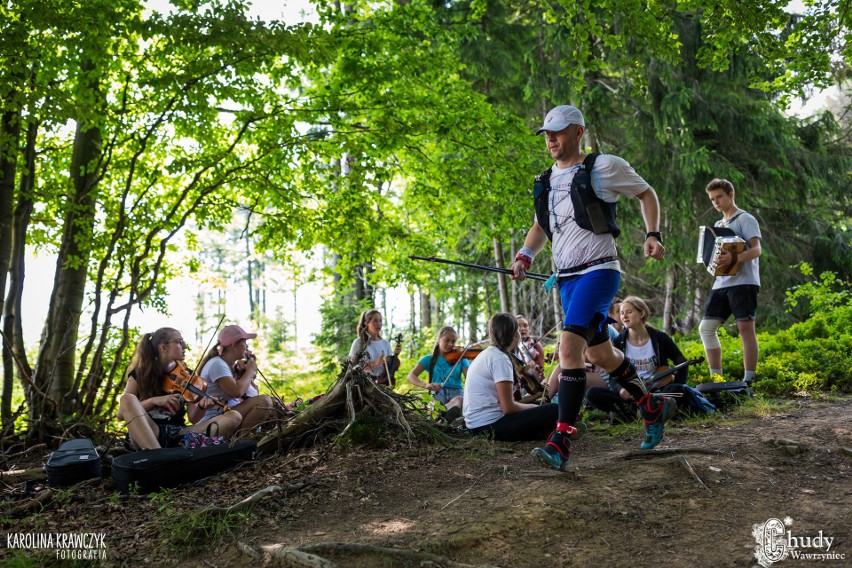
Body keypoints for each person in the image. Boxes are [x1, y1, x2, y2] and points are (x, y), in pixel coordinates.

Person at [510, 104, 674, 470]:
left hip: (599, 271)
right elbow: (540, 226)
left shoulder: (603, 166)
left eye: (558, 131)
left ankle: (562, 439)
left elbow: (646, 193)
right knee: (601, 355)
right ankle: (651, 406)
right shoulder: (546, 179)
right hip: (567, 279)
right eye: (546, 133)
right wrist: (525, 255)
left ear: (578, 132)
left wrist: (652, 233)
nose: (551, 139)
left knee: (568, 348)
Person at [117, 328, 241, 450]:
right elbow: (121, 414)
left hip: (178, 434)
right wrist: (154, 401)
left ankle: (177, 451)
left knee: (234, 416)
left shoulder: (188, 376)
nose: (184, 346)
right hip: (150, 430)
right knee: (127, 399)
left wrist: (202, 407)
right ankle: (157, 456)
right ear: (163, 347)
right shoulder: (140, 374)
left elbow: (193, 418)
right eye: (179, 342)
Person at [586, 296, 694, 423]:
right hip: (630, 393)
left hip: (655, 391)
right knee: (592, 393)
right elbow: (611, 373)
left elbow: (682, 362)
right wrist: (620, 389)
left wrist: (680, 383)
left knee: (677, 390)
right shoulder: (618, 342)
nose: (624, 316)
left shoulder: (660, 338)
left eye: (629, 312)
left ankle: (637, 412)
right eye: (621, 313)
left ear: (642, 313)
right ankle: (637, 412)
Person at [699, 178, 763, 384]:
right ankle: (716, 381)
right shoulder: (718, 225)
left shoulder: (746, 219)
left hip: (744, 283)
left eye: (719, 197)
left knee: (745, 329)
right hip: (721, 284)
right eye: (712, 199)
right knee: (706, 328)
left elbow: (756, 250)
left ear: (731, 195)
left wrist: (735, 258)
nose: (716, 202)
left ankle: (749, 381)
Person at [462, 313, 558, 441]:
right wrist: (535, 408)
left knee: (542, 405)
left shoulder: (490, 353)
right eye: (518, 329)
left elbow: (507, 404)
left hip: (477, 424)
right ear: (514, 334)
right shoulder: (500, 359)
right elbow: (508, 407)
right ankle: (552, 430)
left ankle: (546, 431)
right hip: (488, 426)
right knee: (554, 410)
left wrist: (534, 398)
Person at [198, 325, 276, 434]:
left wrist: (243, 374)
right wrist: (250, 370)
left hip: (229, 414)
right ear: (234, 345)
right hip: (218, 420)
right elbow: (237, 392)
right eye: (244, 342)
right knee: (264, 401)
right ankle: (241, 440)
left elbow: (249, 394)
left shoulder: (229, 366)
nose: (247, 346)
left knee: (274, 402)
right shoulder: (217, 364)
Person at [406, 326, 467, 421]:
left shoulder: (461, 358)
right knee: (433, 403)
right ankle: (442, 416)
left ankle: (443, 412)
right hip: (437, 392)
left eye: (453, 341)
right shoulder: (428, 359)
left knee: (459, 399)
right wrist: (425, 385)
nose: (450, 344)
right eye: (447, 340)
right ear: (438, 338)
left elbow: (470, 378)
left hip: (456, 392)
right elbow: (411, 376)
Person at [349, 309, 402, 385]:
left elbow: (389, 368)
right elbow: (352, 366)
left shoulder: (385, 343)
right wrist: (374, 363)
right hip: (365, 382)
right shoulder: (358, 342)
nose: (379, 324)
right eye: (375, 321)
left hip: (383, 382)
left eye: (380, 321)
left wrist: (395, 355)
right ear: (367, 323)